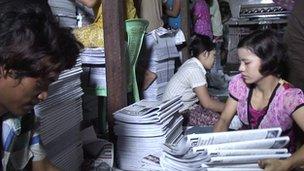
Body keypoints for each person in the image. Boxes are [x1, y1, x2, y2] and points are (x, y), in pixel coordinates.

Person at [0, 0, 82, 170]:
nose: (44, 95)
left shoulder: (23, 116)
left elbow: (43, 167)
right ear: (6, 68)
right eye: (40, 84)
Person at [213, 29, 304, 171]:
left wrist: (287, 164)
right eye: (240, 62)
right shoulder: (240, 85)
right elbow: (224, 119)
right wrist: (213, 151)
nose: (240, 68)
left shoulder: (288, 97)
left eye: (246, 62)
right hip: (246, 159)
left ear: (268, 60)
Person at [162, 34, 225, 126]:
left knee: (214, 99)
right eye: (214, 56)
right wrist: (231, 109)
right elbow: (207, 103)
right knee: (218, 120)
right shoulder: (195, 70)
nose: (214, 60)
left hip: (184, 107)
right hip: (176, 114)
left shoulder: (192, 63)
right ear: (205, 54)